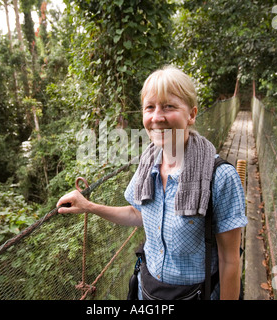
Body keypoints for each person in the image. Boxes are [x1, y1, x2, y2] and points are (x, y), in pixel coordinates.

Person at [56, 65, 247, 300]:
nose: (157, 117)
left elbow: (230, 260)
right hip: (148, 292)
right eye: (150, 107)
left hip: (197, 294)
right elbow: (139, 213)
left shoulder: (220, 177)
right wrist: (89, 206)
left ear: (192, 114)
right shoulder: (148, 164)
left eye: (169, 106)